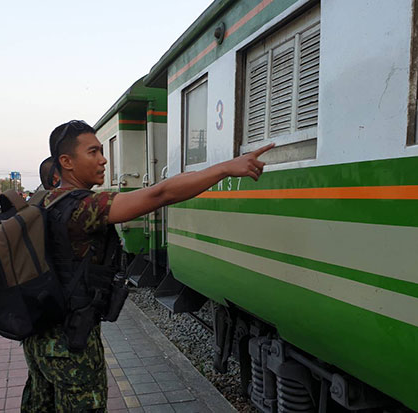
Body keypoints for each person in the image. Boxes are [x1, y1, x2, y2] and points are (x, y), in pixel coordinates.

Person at [21, 120, 272, 412]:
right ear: (67, 162)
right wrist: (225, 168)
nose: (103, 159)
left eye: (102, 151)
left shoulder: (44, 201)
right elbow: (160, 194)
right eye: (93, 152)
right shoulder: (81, 207)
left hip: (38, 336)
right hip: (70, 342)